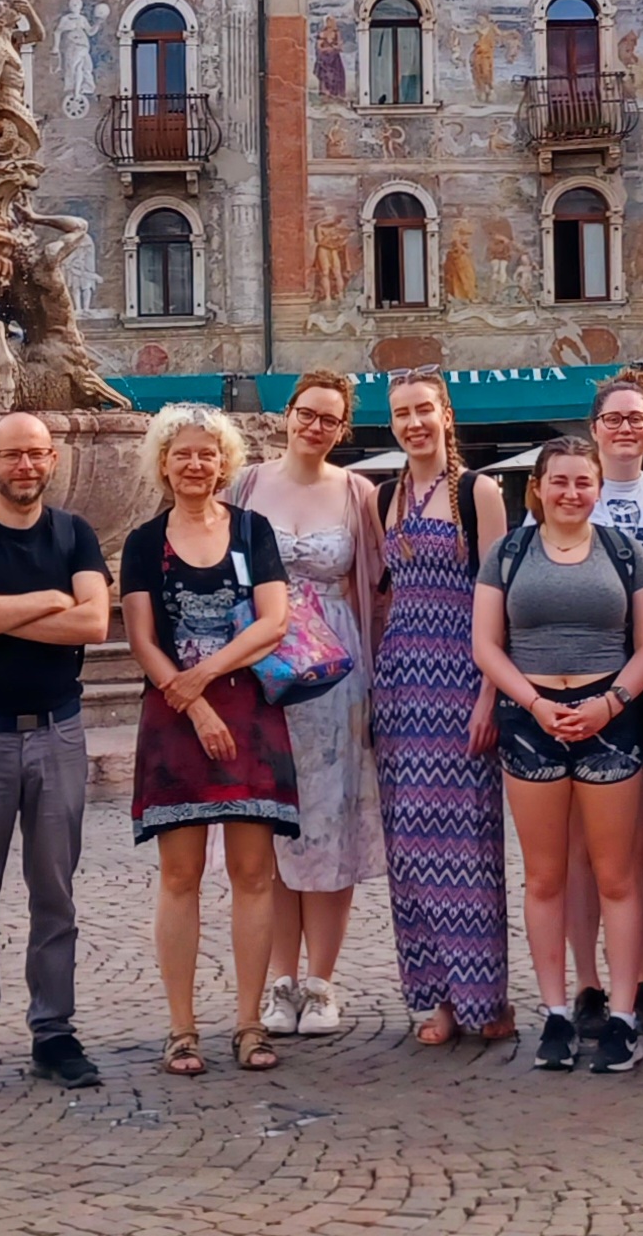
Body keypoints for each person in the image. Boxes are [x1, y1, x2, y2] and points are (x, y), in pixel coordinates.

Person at [0, 413, 113, 1100]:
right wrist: (48, 597)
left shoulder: (74, 533)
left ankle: (53, 1032)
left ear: (54, 458)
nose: (26, 466)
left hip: (58, 733)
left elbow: (95, 622)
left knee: (55, 896)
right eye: (13, 455)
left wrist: (4, 608)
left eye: (37, 454)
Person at [472, 436, 643, 1073]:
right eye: (560, 482)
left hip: (609, 716)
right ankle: (555, 1012)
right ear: (540, 487)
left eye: (584, 482)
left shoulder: (623, 551)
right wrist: (531, 702)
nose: (572, 493)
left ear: (598, 488)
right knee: (547, 875)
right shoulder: (510, 551)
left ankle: (626, 1013)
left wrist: (611, 702)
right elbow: (486, 644)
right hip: (533, 718)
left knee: (616, 875)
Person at [119, 405, 295, 1076]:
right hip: (174, 718)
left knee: (254, 874)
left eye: (207, 453)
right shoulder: (142, 540)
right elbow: (140, 638)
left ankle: (250, 1022)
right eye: (182, 453)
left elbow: (275, 621)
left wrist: (205, 675)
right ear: (163, 462)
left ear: (225, 462)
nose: (195, 464)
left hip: (248, 710)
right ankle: (182, 1027)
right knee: (180, 874)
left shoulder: (253, 529)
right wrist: (191, 703)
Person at [230, 373, 387, 1038]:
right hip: (259, 667)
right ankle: (278, 980)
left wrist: (380, 684)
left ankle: (320, 980)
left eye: (329, 418)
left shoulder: (359, 493)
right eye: (306, 413)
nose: (315, 426)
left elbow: (375, 592)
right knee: (269, 825)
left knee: (331, 824)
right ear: (287, 415)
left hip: (333, 673)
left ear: (342, 428)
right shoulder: (244, 484)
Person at [372, 369, 514, 1044]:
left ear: (446, 414)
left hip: (461, 676)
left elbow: (499, 597)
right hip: (401, 681)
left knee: (468, 841)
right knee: (411, 847)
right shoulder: (384, 495)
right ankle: (438, 998)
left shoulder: (476, 490)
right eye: (402, 412)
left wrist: (491, 690)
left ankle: (486, 996)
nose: (414, 422)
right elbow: (381, 595)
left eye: (424, 408)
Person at [578, 370, 643, 1034]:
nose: (624, 427)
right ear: (594, 429)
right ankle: (587, 984)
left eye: (636, 417)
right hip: (580, 679)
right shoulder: (571, 493)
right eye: (612, 417)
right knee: (584, 848)